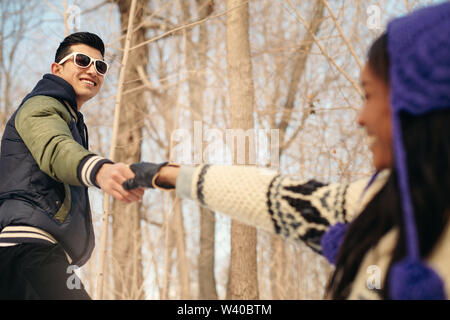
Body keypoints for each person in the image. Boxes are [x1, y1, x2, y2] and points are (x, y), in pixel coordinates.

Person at [123, 2, 450, 300]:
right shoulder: (387, 201)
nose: (360, 118)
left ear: (420, 105)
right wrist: (167, 175)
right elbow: (279, 198)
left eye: (369, 94)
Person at [0, 32, 144, 299]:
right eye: (82, 60)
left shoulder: (70, 118)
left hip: (39, 251)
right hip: (28, 247)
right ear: (57, 68)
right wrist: (99, 169)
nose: (93, 70)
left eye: (100, 66)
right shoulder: (41, 106)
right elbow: (55, 148)